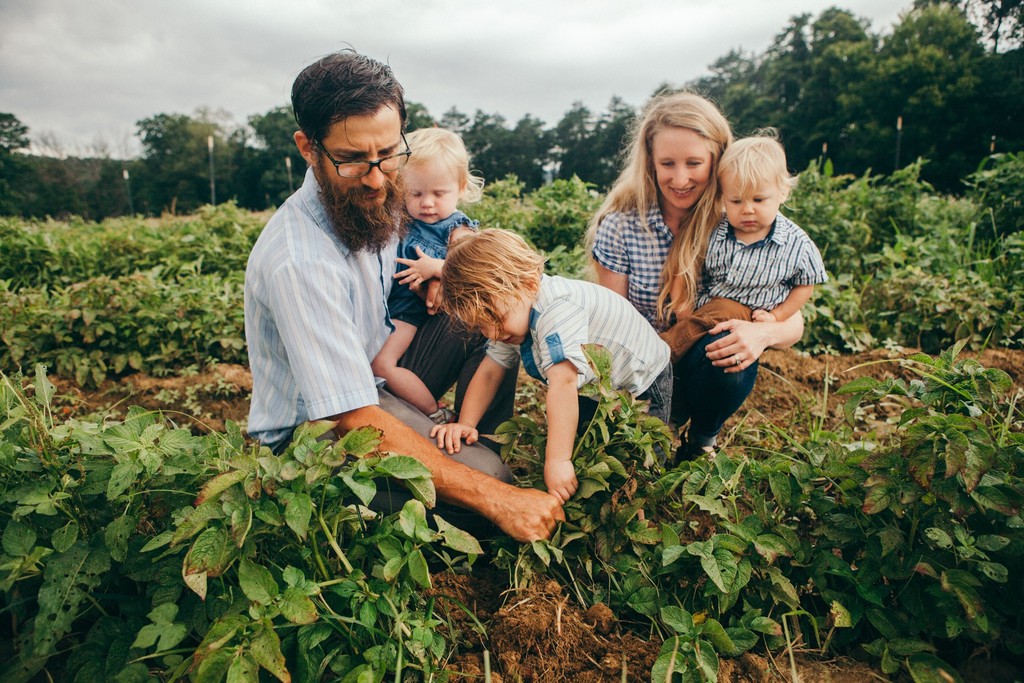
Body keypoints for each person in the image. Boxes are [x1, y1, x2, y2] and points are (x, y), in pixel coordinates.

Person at [243, 50, 563, 542]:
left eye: (388, 154)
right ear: (308, 148)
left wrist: (439, 278)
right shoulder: (299, 259)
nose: (376, 178)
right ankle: (478, 468)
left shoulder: (380, 197)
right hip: (318, 434)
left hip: (376, 378)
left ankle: (478, 436)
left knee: (487, 316)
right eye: (351, 160)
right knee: (488, 490)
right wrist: (495, 497)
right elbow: (349, 416)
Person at [587, 91, 805, 459]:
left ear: (717, 160)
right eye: (668, 163)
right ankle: (655, 423)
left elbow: (794, 322)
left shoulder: (739, 218)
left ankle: (701, 440)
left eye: (694, 163)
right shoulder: (622, 225)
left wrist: (762, 332)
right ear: (650, 164)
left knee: (731, 357)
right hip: (638, 365)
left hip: (698, 362)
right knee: (606, 446)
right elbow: (611, 321)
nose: (681, 178)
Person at [430, 229, 672, 503]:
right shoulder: (515, 310)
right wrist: (466, 423)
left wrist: (557, 461)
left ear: (529, 283)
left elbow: (564, 385)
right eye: (480, 326)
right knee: (589, 450)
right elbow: (489, 370)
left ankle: (644, 502)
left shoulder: (556, 311)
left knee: (640, 457)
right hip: (598, 385)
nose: (493, 333)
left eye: (496, 319)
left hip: (642, 380)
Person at [660, 131, 828, 363]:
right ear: (723, 197)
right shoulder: (714, 231)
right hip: (709, 312)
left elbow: (805, 285)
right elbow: (685, 265)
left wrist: (777, 315)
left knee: (712, 318)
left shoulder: (797, 243)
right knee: (707, 326)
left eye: (758, 200)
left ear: (783, 192)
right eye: (736, 201)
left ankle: (663, 354)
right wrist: (684, 310)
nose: (747, 209)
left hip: (754, 317)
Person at [371, 127, 483, 423]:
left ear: (460, 189)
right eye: (416, 193)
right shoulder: (402, 218)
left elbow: (472, 267)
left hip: (408, 311)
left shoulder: (456, 228)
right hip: (388, 308)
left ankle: (434, 413)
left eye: (439, 193)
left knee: (383, 365)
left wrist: (435, 268)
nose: (427, 202)